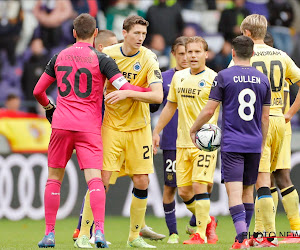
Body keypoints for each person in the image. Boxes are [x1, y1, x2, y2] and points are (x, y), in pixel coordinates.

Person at [33, 13, 153, 249]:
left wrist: (49, 107)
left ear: (74, 33)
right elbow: (124, 87)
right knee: (95, 180)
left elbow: (38, 91)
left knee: (54, 179)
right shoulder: (102, 59)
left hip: (61, 124)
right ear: (95, 33)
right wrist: (148, 90)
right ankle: (98, 232)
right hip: (88, 127)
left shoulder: (58, 57)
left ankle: (49, 234)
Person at [190, 35, 271, 249]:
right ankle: (246, 237)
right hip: (254, 143)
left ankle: (241, 238)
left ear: (232, 53)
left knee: (234, 193)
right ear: (252, 54)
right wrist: (261, 143)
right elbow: (265, 118)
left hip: (232, 143)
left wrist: (194, 128)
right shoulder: (263, 79)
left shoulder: (224, 76)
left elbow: (209, 110)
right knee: (247, 191)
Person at [238, 14, 300, 247]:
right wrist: (291, 113)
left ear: (246, 33)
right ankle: (289, 231)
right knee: (278, 176)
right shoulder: (282, 55)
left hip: (256, 123)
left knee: (262, 178)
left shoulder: (243, 56)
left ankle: (268, 235)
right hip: (280, 122)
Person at [103, 15, 163, 248]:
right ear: (124, 33)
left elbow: (157, 96)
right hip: (111, 126)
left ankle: (134, 237)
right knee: (102, 180)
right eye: (136, 33)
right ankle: (88, 233)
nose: (140, 38)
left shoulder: (149, 57)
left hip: (139, 127)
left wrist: (128, 93)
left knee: (142, 181)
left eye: (144, 35)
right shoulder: (108, 55)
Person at [152, 36, 219, 245]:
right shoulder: (178, 78)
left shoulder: (214, 78)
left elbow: (214, 108)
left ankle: (199, 234)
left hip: (204, 142)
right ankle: (208, 221)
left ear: (206, 55)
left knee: (199, 186)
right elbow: (170, 106)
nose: (192, 56)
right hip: (181, 143)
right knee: (184, 191)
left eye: (197, 52)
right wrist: (156, 131)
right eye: (189, 52)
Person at [150, 36, 189, 244]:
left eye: (188, 53)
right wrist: (156, 132)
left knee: (196, 188)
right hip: (172, 141)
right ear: (173, 54)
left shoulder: (203, 77)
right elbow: (156, 106)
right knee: (171, 187)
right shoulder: (164, 79)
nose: (185, 58)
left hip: (195, 142)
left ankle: (201, 224)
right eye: (181, 53)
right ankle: (174, 232)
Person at [264, 32, 300, 244]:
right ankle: (278, 231)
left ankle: (290, 230)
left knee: (276, 177)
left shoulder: (260, 70)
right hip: (279, 126)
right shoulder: (282, 71)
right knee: (272, 177)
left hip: (274, 125)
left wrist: (289, 114)